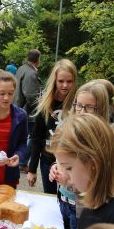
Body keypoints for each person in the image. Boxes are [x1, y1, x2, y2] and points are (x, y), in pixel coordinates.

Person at [49, 81, 110, 229]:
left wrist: (68, 179)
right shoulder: (68, 129)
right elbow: (62, 159)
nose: (82, 111)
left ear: (101, 109)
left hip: (83, 208)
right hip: (63, 199)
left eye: (89, 107)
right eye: (78, 105)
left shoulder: (102, 140)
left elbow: (97, 183)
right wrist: (56, 167)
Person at [27, 59, 77, 194]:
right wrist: (32, 170)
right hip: (47, 161)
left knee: (68, 200)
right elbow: (36, 138)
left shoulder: (79, 104)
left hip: (71, 163)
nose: (65, 85)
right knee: (50, 198)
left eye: (69, 81)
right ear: (54, 80)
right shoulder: (45, 104)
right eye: (61, 81)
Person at [15, 49, 41, 172]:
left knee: (26, 135)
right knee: (33, 135)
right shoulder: (31, 73)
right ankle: (22, 162)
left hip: (19, 108)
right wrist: (39, 108)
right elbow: (31, 96)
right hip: (28, 111)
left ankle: (20, 161)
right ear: (38, 60)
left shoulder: (21, 68)